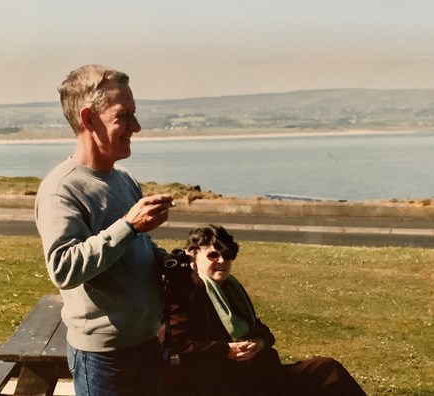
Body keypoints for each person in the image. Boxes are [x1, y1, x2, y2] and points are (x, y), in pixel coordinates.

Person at [35, 64, 175, 395]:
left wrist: (165, 260)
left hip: (146, 342)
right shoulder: (61, 189)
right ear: (88, 120)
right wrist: (129, 225)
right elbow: (63, 268)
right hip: (103, 358)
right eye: (124, 116)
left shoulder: (123, 179)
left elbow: (133, 248)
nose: (136, 127)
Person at [160, 225, 366, 395]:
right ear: (193, 256)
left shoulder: (231, 289)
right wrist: (226, 351)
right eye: (214, 255)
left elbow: (263, 331)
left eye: (228, 255)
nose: (222, 261)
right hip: (224, 382)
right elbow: (177, 345)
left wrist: (259, 343)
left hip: (261, 373)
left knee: (327, 368)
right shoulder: (186, 292)